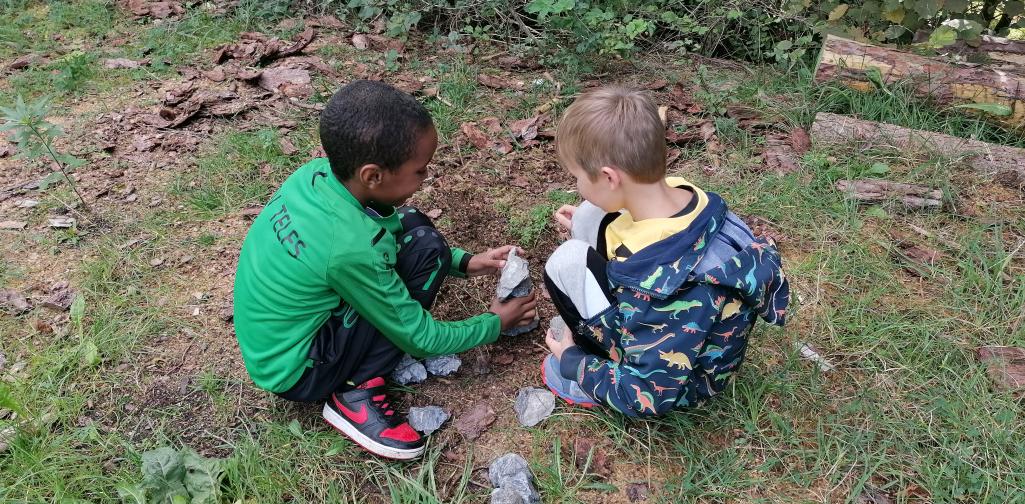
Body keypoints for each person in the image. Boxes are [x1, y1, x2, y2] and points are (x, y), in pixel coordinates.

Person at [233, 80, 537, 459]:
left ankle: (354, 369)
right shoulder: (350, 248)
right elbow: (419, 337)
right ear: (373, 175)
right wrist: (495, 323)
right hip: (298, 369)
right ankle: (354, 392)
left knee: (417, 231)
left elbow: (392, 231)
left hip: (275, 336)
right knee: (408, 269)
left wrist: (464, 262)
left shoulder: (316, 175)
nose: (426, 177)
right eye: (420, 170)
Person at [540, 87, 789, 417]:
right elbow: (625, 220)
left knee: (565, 264)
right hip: (666, 305)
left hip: (675, 384)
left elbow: (646, 395)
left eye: (576, 177)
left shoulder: (668, 287)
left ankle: (594, 362)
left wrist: (573, 361)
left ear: (609, 177)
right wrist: (589, 223)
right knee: (589, 215)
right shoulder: (687, 196)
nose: (576, 186)